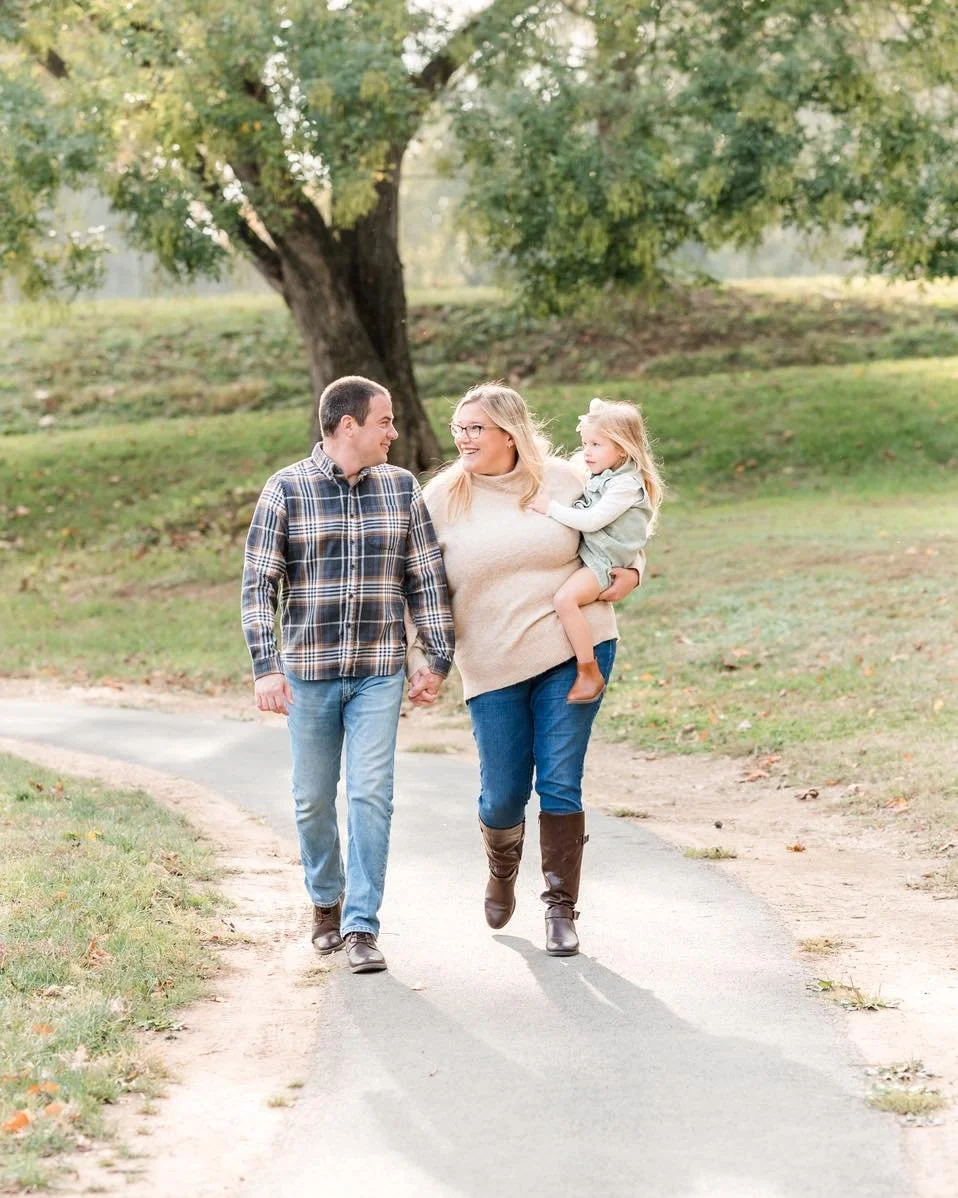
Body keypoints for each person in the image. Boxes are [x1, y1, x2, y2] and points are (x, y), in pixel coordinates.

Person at [407, 383, 646, 957]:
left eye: (475, 429)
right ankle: (502, 862)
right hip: (490, 664)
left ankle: (561, 909)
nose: (462, 438)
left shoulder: (565, 479)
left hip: (575, 648)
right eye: (458, 428)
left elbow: (621, 528)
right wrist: (419, 656)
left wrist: (634, 571)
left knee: (561, 780)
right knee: (502, 795)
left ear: (509, 434)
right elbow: (415, 582)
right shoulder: (441, 498)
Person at [242, 375, 454, 975]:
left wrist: (434, 657)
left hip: (377, 674)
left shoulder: (402, 489)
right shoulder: (286, 489)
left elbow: (425, 578)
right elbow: (259, 586)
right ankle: (326, 900)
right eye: (385, 421)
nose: (395, 431)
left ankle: (362, 925)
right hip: (307, 674)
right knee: (311, 800)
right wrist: (266, 667)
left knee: (370, 795)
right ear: (348, 426)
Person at [529, 397, 663, 704]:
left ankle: (588, 670)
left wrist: (550, 508)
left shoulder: (625, 486)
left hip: (605, 561)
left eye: (596, 445)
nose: (586, 452)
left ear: (622, 448)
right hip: (596, 554)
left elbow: (591, 521)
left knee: (565, 600)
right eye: (584, 443)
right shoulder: (605, 472)